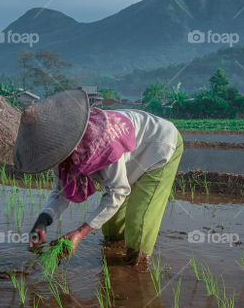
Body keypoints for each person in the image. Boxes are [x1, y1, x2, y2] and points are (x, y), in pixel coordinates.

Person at [14, 89, 183, 268]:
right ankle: (115, 267)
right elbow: (60, 192)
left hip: (160, 147)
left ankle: (137, 269)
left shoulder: (102, 142)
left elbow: (118, 191)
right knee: (111, 229)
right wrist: (42, 221)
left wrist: (79, 233)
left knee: (138, 228)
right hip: (129, 160)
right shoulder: (59, 151)